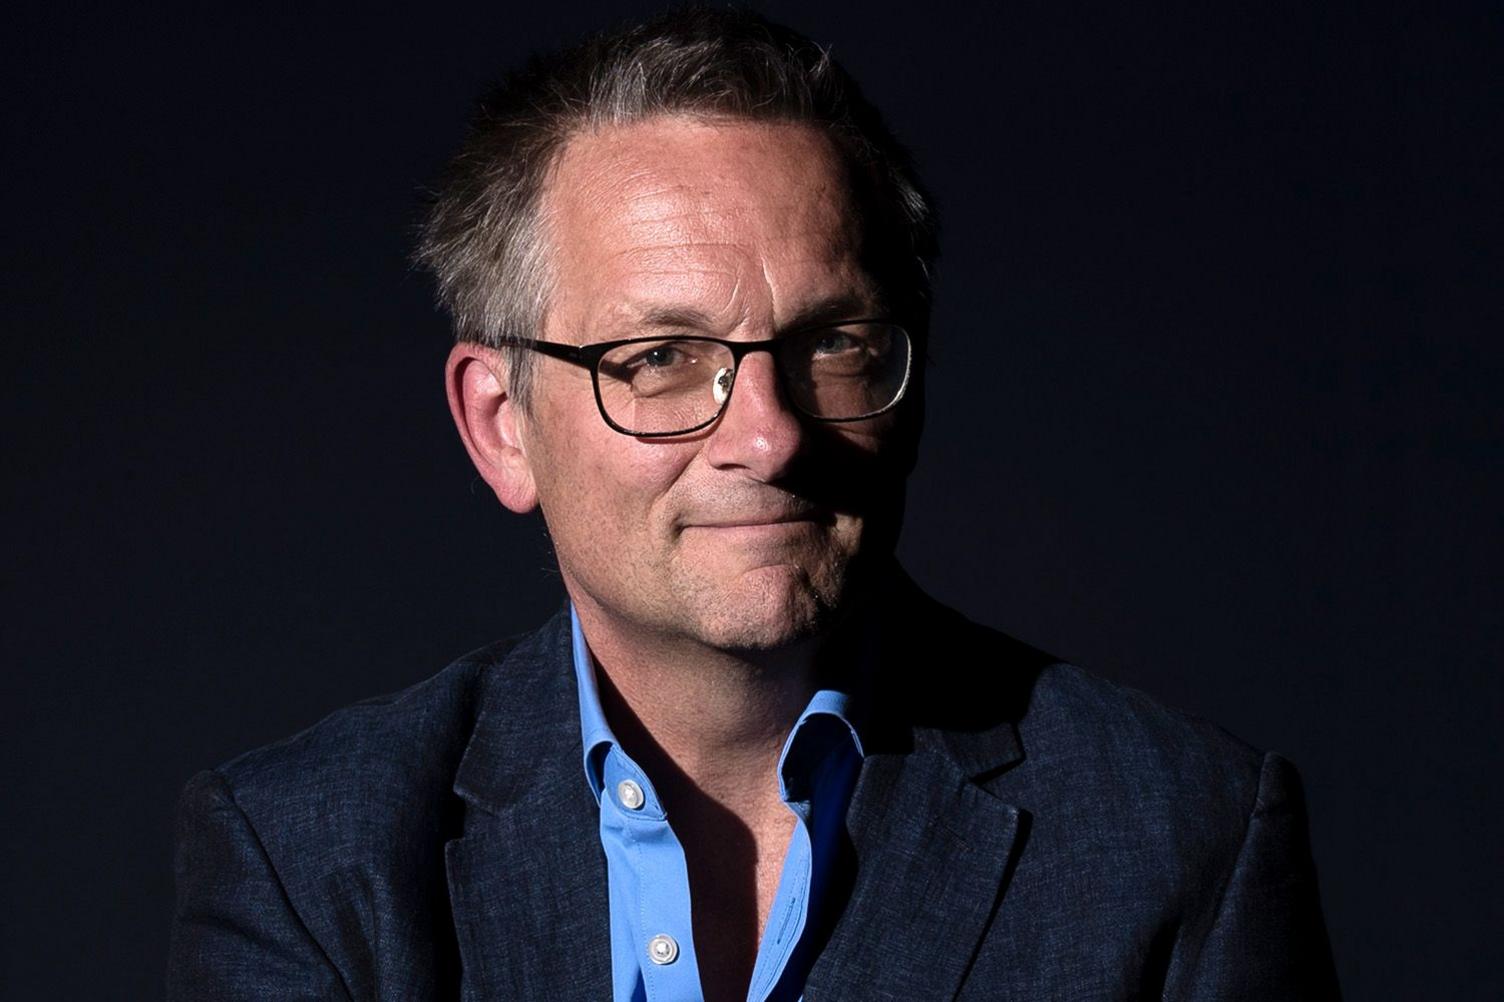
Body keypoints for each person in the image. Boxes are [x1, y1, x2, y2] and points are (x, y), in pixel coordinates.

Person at [166, 9, 1339, 1000]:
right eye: (661, 357)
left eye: (832, 344)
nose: (770, 433)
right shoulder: (312, 862)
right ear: (500, 424)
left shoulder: (1181, 840)